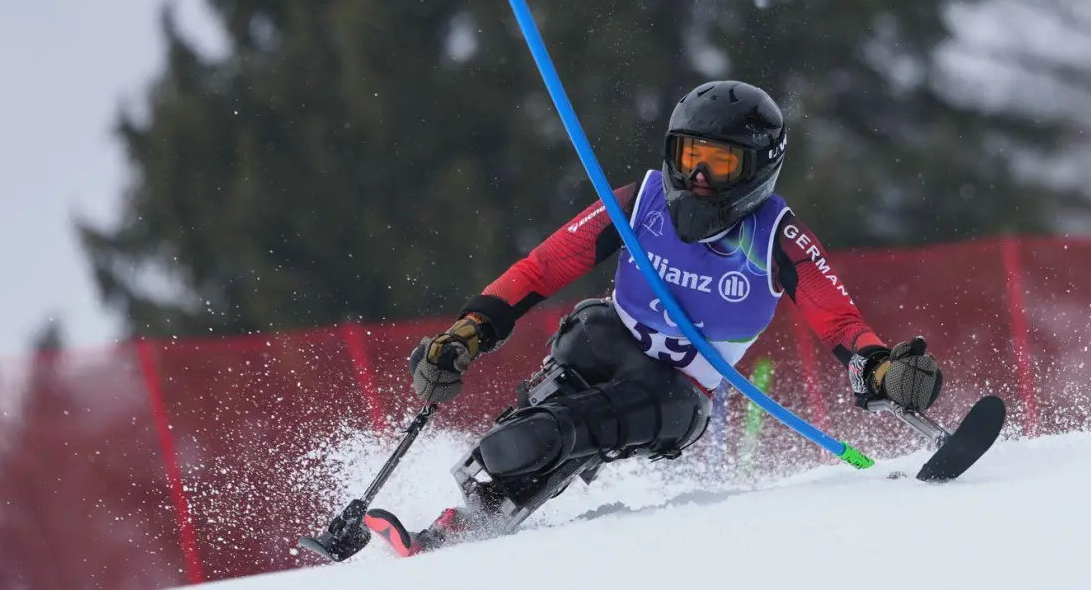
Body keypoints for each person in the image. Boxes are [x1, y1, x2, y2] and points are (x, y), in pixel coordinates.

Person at [361, 80, 944, 556]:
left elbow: (840, 323)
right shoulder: (640, 202)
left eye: (719, 164)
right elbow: (542, 268)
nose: (697, 180)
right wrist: (468, 333)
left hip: (677, 393)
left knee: (557, 434)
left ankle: (515, 464)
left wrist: (883, 370)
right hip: (602, 342)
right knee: (545, 420)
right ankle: (464, 525)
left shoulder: (775, 237)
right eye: (690, 158)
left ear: (758, 168)